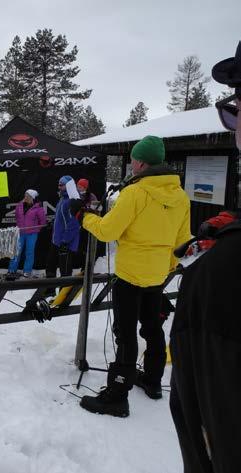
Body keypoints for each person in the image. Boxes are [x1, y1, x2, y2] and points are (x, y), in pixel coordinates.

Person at [70, 135, 191, 418]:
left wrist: (84, 217)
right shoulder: (180, 195)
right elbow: (182, 240)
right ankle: (152, 380)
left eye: (134, 159)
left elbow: (108, 231)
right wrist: (168, 266)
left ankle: (117, 395)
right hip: (158, 274)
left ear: (141, 162)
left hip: (130, 273)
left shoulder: (135, 193)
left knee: (125, 334)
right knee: (152, 328)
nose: (132, 164)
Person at [168, 43, 241, 472]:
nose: (234, 126)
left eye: (237, 110)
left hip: (138, 273)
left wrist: (88, 224)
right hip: (158, 271)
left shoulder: (224, 273)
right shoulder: (183, 202)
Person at [45, 176, 80, 296]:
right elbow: (62, 219)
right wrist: (53, 222)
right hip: (56, 240)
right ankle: (50, 290)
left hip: (66, 242)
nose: (59, 187)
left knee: (65, 270)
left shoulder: (72, 201)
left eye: (62, 185)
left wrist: (65, 241)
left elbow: (74, 225)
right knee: (50, 266)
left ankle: (64, 295)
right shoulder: (62, 199)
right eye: (58, 184)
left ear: (69, 186)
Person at [8, 189, 46, 277]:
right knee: (16, 251)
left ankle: (27, 271)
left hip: (32, 234)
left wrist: (36, 229)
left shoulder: (38, 208)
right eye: (25, 195)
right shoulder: (19, 205)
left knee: (29, 252)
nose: (25, 197)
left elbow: (43, 222)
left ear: (32, 197)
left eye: (27, 196)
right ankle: (11, 270)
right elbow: (17, 217)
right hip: (20, 233)